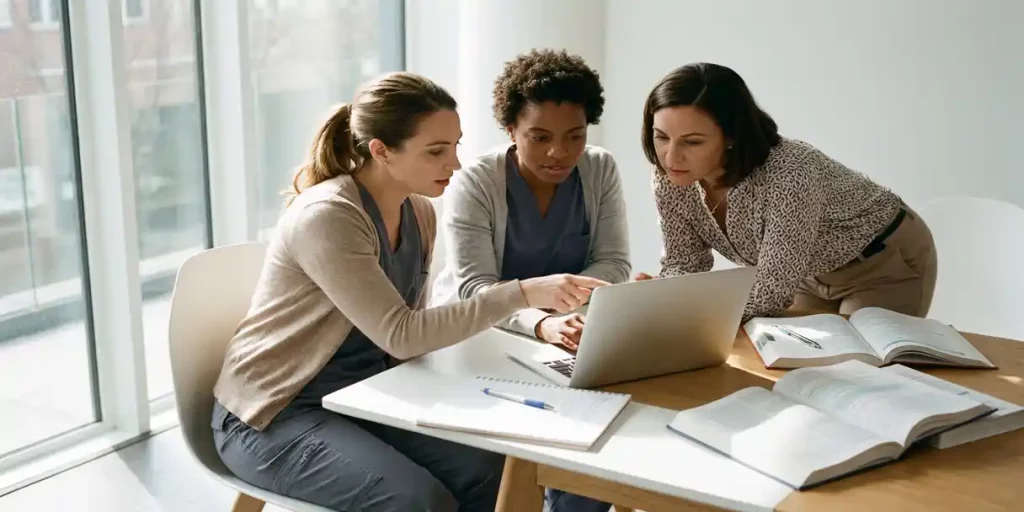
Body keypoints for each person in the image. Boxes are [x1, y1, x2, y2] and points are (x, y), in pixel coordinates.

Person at [209, 72, 608, 512]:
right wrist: (522, 293)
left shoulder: (418, 212)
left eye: (455, 146)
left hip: (363, 397)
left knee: (496, 471)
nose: (454, 164)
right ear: (381, 151)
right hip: (274, 415)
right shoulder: (329, 217)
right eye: (436, 151)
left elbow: (404, 341)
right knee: (418, 502)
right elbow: (401, 333)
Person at [431, 49, 627, 512]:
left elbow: (614, 264)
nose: (559, 153)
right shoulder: (475, 182)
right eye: (539, 137)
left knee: (596, 442)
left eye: (574, 136)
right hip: (477, 340)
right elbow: (473, 290)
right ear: (511, 131)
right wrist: (541, 322)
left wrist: (563, 316)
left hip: (568, 338)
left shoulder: (599, 169)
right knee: (558, 435)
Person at [638, 63, 937, 319]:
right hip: (806, 273)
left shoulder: (790, 171)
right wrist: (657, 300)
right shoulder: (670, 175)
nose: (671, 157)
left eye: (692, 142)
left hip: (882, 262)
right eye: (661, 137)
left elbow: (770, 292)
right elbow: (685, 263)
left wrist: (681, 311)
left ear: (730, 136)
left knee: (861, 371)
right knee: (799, 365)